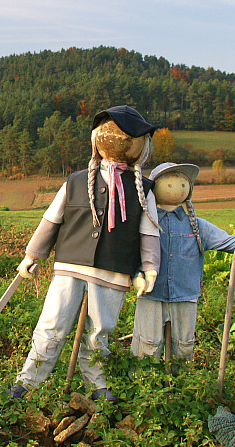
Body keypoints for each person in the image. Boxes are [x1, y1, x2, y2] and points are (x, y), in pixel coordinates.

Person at [9, 106, 161, 402]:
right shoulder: (76, 181)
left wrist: (149, 268)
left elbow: (149, 232)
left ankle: (98, 384)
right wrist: (32, 255)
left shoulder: (144, 188)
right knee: (52, 323)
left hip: (114, 270)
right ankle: (27, 382)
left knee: (100, 331)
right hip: (70, 265)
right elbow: (51, 220)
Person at [130, 162, 235, 367]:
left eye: (182, 184)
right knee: (147, 343)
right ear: (154, 188)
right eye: (169, 185)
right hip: (151, 292)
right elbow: (132, 250)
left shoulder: (196, 224)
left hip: (186, 293)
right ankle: (143, 386)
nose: (176, 189)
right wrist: (136, 274)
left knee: (184, 344)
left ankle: (179, 384)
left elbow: (226, 241)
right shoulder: (147, 221)